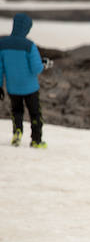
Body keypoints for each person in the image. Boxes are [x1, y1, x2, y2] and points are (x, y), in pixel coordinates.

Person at [0, 13, 51, 148]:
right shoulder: (29, 45)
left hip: (12, 86)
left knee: (16, 111)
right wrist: (43, 64)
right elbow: (36, 69)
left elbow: (0, 68)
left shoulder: (2, 44)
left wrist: (0, 85)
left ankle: (17, 132)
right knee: (35, 113)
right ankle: (36, 140)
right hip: (30, 87)